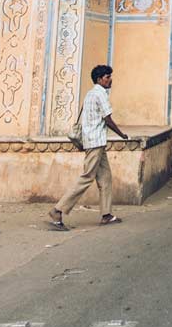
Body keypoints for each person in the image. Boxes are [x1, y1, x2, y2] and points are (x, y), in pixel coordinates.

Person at [47, 64, 129, 229]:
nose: (110, 79)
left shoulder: (90, 94)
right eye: (107, 77)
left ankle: (106, 214)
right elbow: (107, 119)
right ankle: (58, 210)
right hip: (95, 142)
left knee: (105, 178)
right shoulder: (101, 94)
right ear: (99, 79)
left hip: (95, 141)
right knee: (86, 177)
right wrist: (121, 134)